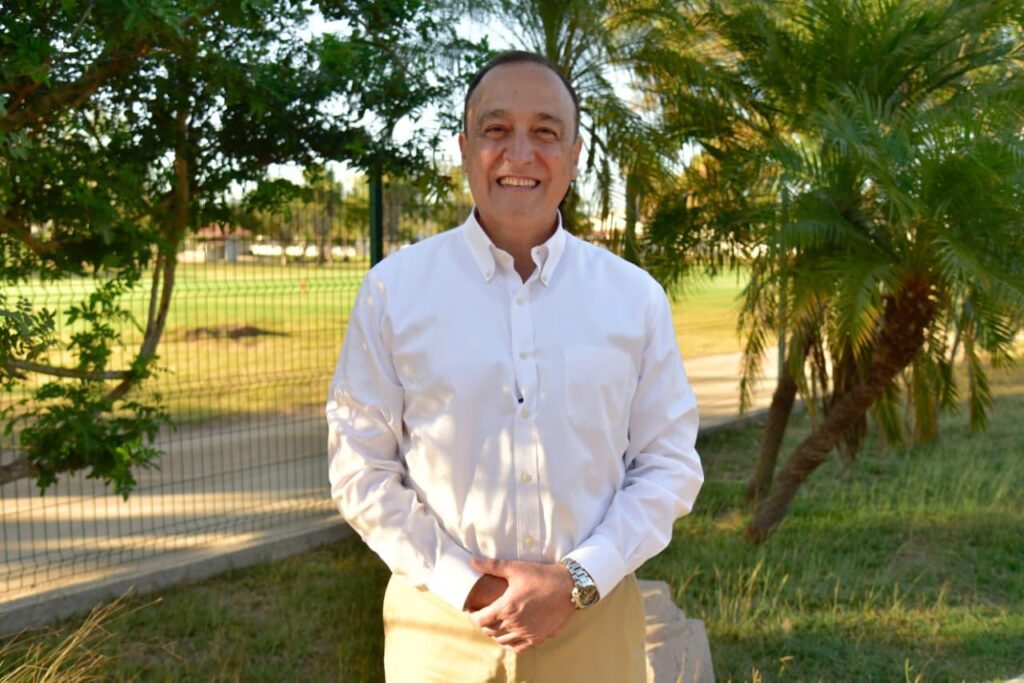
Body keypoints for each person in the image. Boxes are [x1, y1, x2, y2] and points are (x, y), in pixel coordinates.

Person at [327, 50, 703, 683]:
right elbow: (360, 467)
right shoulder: (394, 292)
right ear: (465, 148)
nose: (520, 153)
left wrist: (576, 580)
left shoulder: (633, 297)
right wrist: (467, 585)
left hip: (594, 625)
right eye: (496, 129)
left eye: (546, 132)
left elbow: (668, 464)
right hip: (439, 632)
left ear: (575, 155)